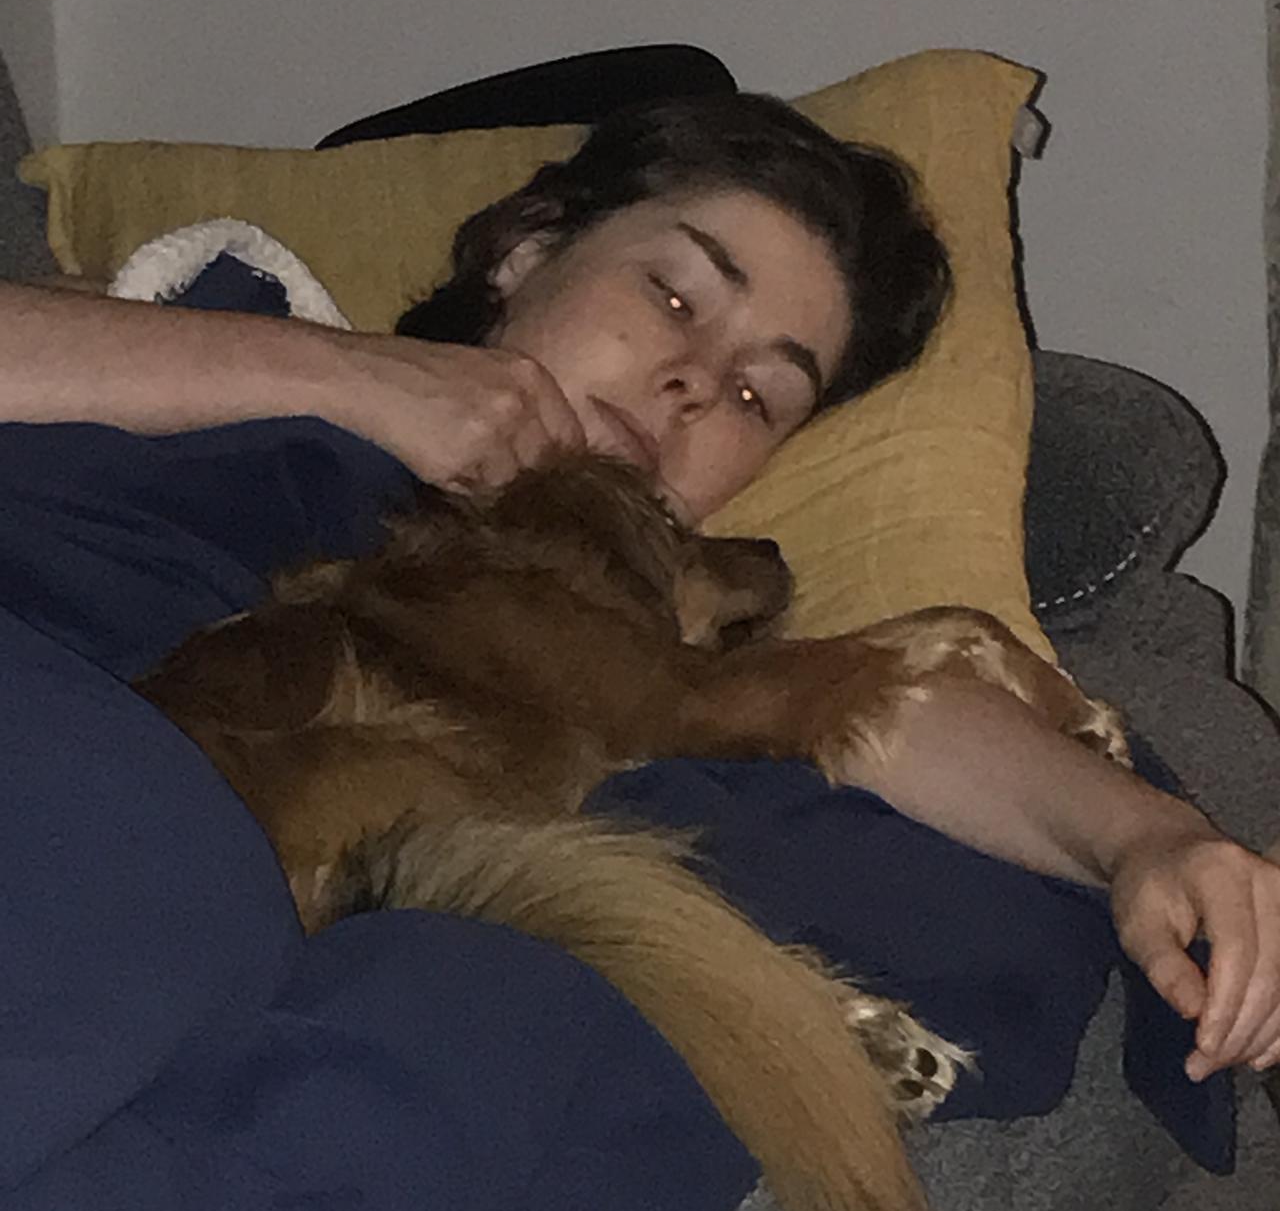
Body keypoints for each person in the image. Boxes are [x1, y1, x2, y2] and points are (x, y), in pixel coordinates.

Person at [3, 90, 1279, 1086]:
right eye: (671, 294)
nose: (690, 382)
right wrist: (340, 374)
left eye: (755, 396)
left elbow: (845, 708)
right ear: (523, 251)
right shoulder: (220, 328)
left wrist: (1143, 838)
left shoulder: (597, 616)